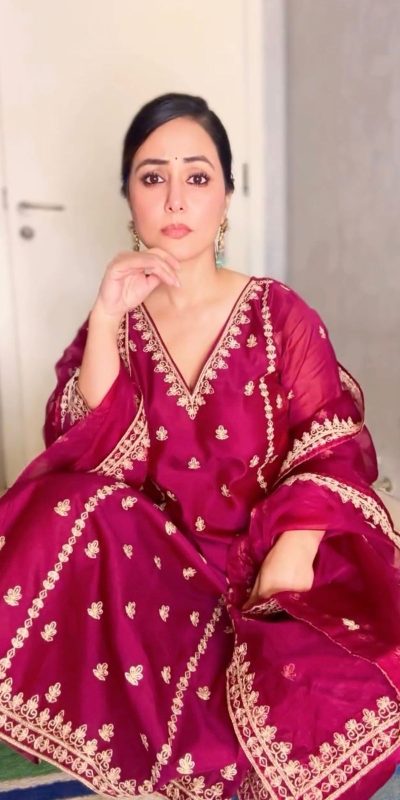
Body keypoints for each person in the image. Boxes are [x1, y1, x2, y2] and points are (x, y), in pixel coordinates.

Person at [0, 92, 399, 800]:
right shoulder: (117, 325)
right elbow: (85, 455)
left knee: (334, 697)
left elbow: (330, 448)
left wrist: (289, 563)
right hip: (158, 575)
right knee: (65, 506)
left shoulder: (279, 313)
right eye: (153, 177)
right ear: (129, 198)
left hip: (268, 560)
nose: (175, 198)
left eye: (197, 175)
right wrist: (105, 316)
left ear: (226, 197)